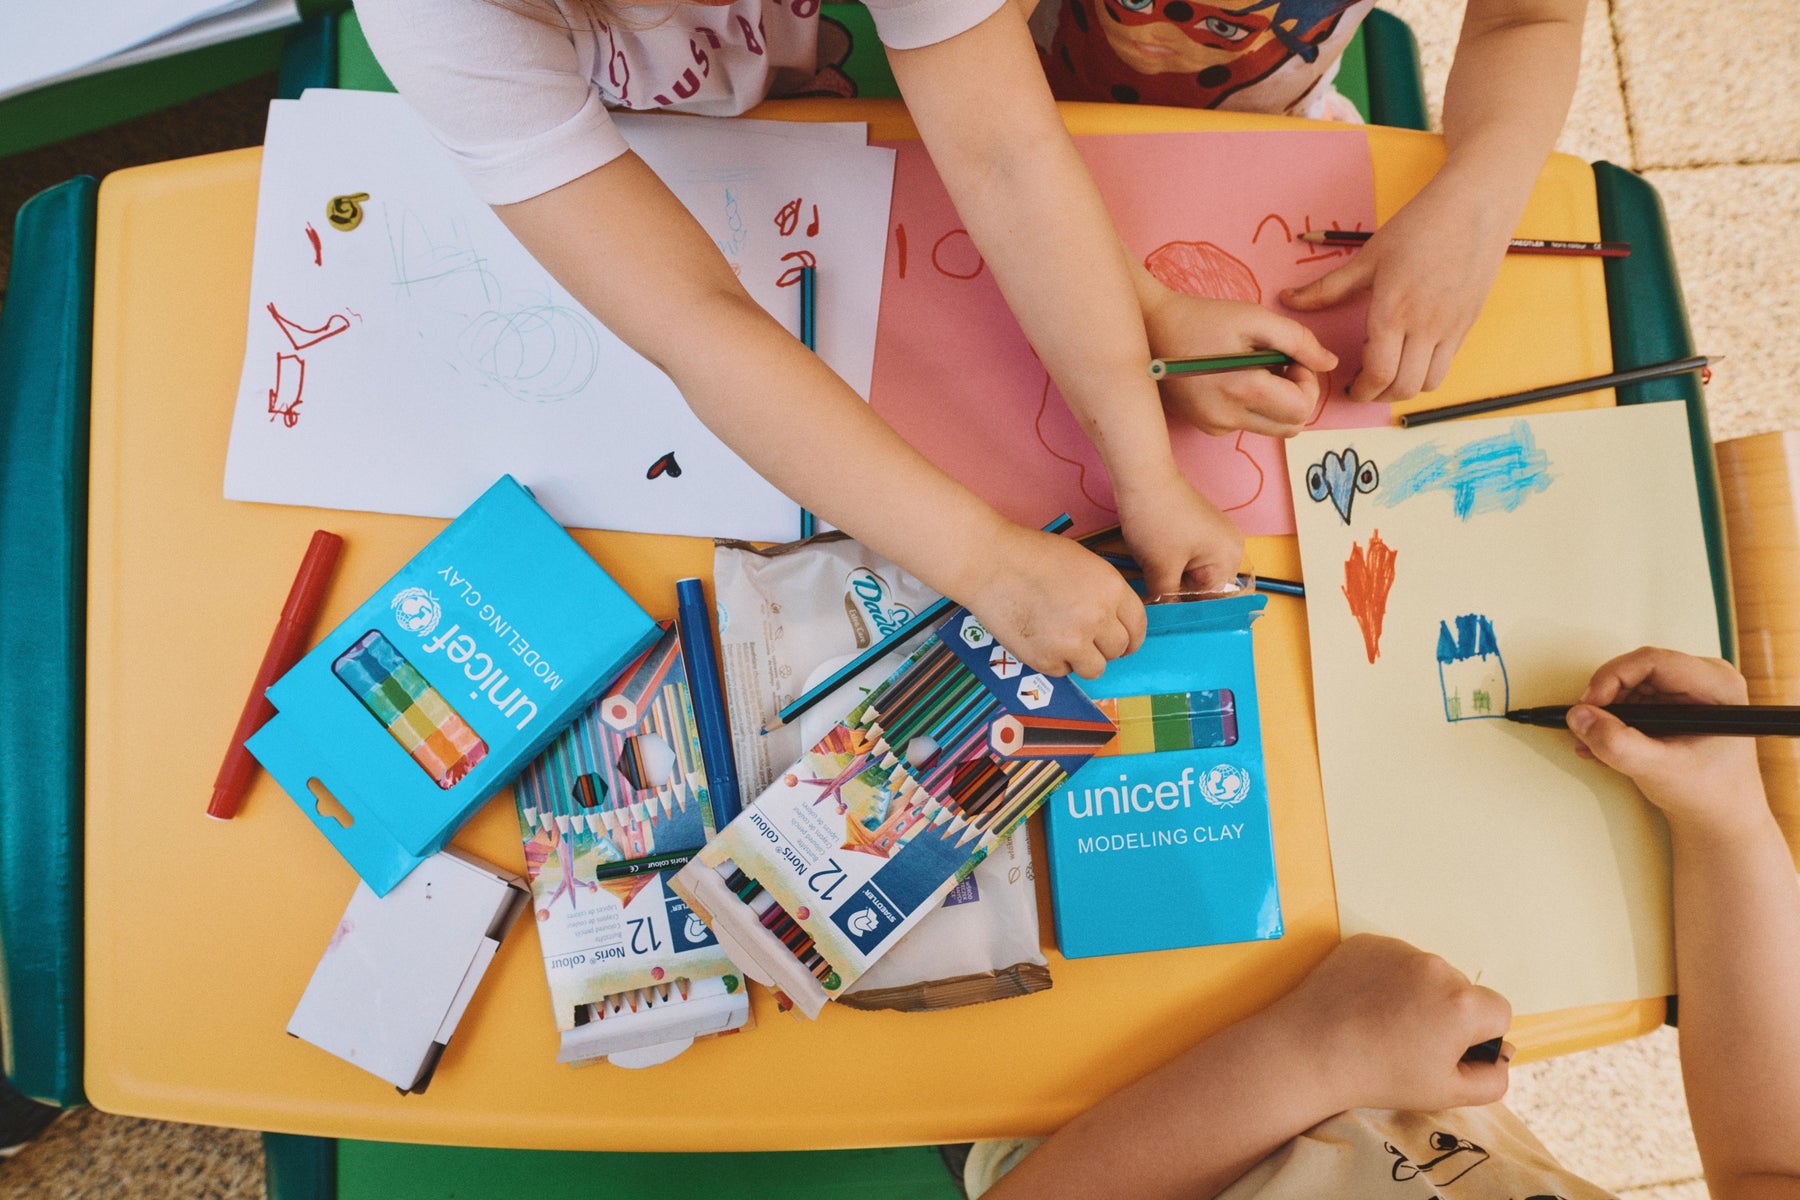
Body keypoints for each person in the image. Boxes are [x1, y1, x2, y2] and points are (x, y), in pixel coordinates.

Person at [356, 0, 1339, 681]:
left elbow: (1005, 156)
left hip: (843, 97)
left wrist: (1149, 472)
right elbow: (696, 323)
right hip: (653, 135)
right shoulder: (440, 21)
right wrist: (983, 562)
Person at [968, 647, 1800, 1200]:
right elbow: (1775, 1165)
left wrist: (1311, 1056)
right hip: (1346, 1014)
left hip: (1079, 1098)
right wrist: (1725, 813)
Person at [1031, 0, 1587, 408]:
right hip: (1010, 118)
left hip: (1280, 139)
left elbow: (1528, 19)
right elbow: (980, 96)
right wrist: (1149, 309)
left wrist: (1478, 204)